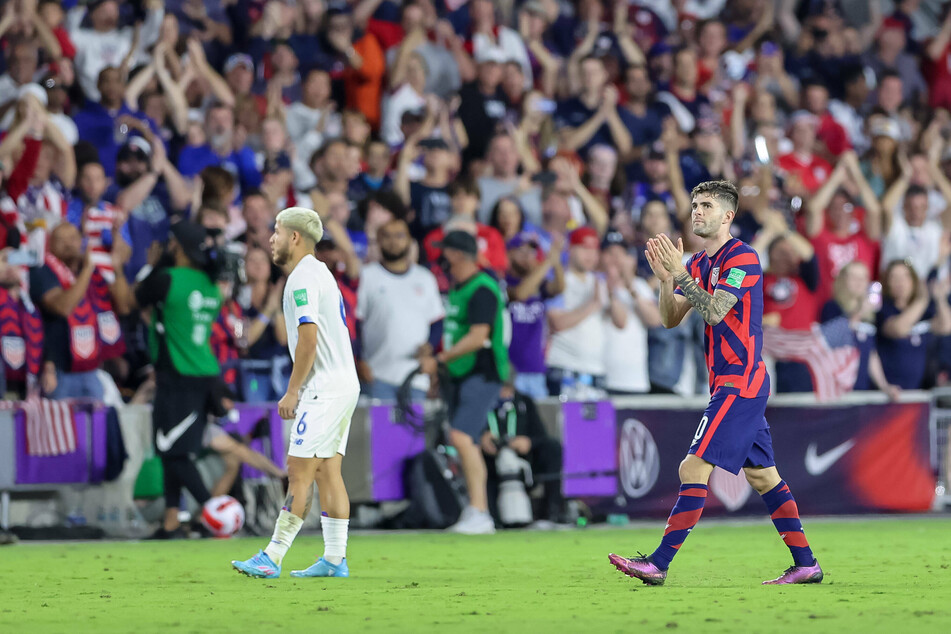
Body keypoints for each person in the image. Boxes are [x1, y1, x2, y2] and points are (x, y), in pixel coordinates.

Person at [609, 180, 823, 586]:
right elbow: (670, 319)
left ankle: (658, 563)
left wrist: (680, 273)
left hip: (739, 381)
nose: (696, 211)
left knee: (693, 466)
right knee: (764, 478)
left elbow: (714, 312)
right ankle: (807, 564)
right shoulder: (699, 265)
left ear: (728, 216)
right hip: (729, 381)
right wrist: (665, 280)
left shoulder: (743, 257)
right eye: (693, 204)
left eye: (706, 205)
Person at [233, 206, 360, 579]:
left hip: (322, 387)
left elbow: (308, 338)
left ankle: (272, 556)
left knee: (299, 471)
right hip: (343, 382)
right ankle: (335, 559)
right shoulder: (321, 273)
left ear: (294, 237)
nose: (270, 239)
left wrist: (293, 391)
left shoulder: (301, 278)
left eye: (276, 231)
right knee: (327, 472)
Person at [127, 221, 220, 538]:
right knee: (172, 450)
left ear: (177, 245)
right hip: (203, 374)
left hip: (177, 375)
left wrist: (149, 268)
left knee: (174, 453)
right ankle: (170, 521)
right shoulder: (209, 284)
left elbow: (130, 301)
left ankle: (216, 512)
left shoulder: (167, 279)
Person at [418, 230, 511, 535]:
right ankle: (477, 509)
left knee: (460, 437)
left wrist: (440, 360)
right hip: (460, 374)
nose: (441, 257)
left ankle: (480, 512)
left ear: (456, 254)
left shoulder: (482, 287)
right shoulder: (459, 288)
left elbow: (477, 337)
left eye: (444, 251)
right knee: (466, 441)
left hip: (481, 373)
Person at [356, 218, 444, 400]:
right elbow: (356, 322)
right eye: (387, 236)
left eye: (399, 235)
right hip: (376, 375)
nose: (393, 241)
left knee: (413, 429)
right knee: (379, 429)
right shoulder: (367, 276)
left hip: (415, 377)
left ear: (410, 240)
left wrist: (429, 347)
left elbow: (437, 322)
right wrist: (358, 360)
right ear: (378, 240)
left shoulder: (425, 278)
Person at [480, 383, 564, 526]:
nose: (503, 393)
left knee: (553, 448)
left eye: (506, 389)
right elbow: (465, 436)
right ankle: (489, 516)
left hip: (524, 461)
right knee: (478, 459)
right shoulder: (481, 403)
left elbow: (541, 435)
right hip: (492, 460)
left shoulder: (524, 402)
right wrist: (482, 437)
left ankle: (551, 513)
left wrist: (528, 441)